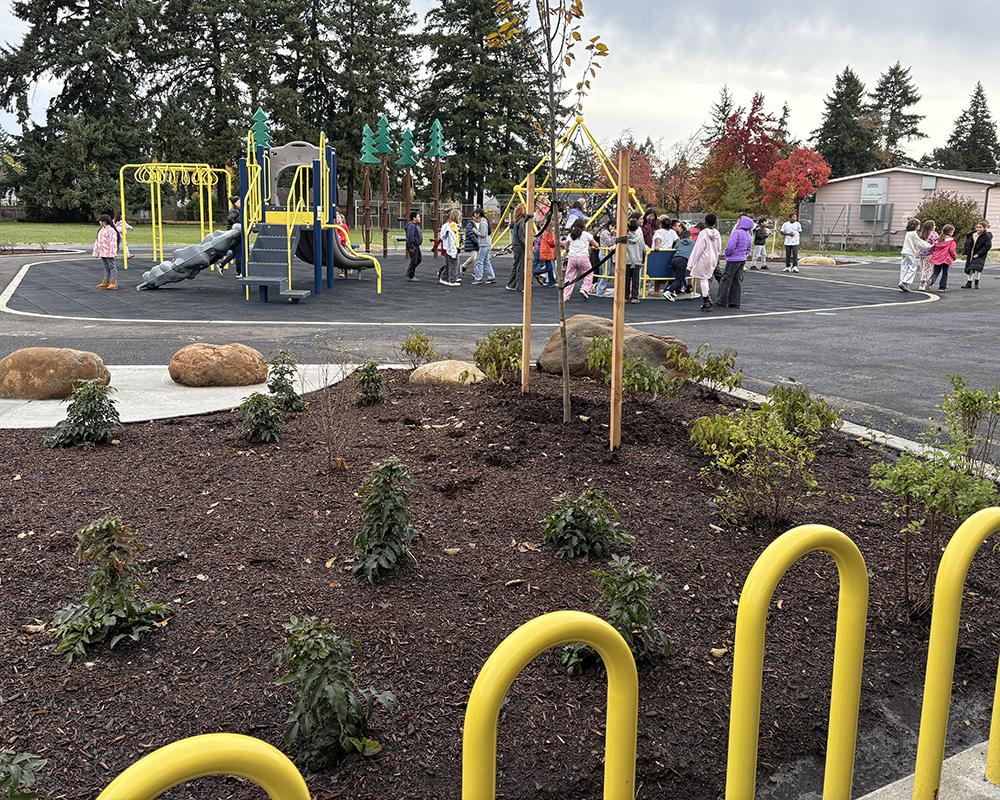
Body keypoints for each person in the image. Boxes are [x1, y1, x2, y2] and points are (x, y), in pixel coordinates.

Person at [717, 215, 753, 308]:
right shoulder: (748, 235)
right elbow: (749, 248)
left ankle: (721, 301)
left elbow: (730, 246)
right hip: (742, 259)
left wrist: (727, 254)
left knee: (726, 279)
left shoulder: (736, 233)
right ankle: (735, 301)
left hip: (733, 259)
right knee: (736, 280)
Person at [689, 213, 722, 312]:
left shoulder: (703, 233)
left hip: (704, 258)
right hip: (713, 258)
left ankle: (706, 298)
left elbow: (698, 248)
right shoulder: (717, 233)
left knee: (703, 279)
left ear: (705, 222)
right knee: (708, 277)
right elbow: (719, 247)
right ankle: (706, 297)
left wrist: (691, 263)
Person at [562, 218, 596, 301]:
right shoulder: (586, 234)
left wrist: (568, 250)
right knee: (588, 273)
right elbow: (596, 244)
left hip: (572, 257)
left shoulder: (571, 235)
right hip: (583, 257)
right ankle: (584, 288)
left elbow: (566, 246)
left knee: (569, 276)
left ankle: (565, 296)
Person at [899, 218, 931, 292]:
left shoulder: (908, 233)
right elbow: (919, 242)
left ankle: (902, 282)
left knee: (905, 268)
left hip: (904, 252)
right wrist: (929, 246)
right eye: (918, 224)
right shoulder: (913, 233)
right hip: (910, 253)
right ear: (915, 225)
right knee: (913, 267)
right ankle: (905, 282)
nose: (919, 226)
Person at [624, 214, 648, 304]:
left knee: (626, 279)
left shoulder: (624, 235)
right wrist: (643, 256)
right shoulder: (640, 233)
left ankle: (625, 297)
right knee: (635, 280)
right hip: (637, 259)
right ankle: (634, 297)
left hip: (626, 259)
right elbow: (643, 246)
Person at [962, 221, 992, 289]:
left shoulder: (987, 236)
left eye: (980, 227)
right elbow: (967, 244)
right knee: (970, 268)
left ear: (984, 228)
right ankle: (969, 282)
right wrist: (965, 252)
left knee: (977, 268)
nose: (978, 229)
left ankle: (976, 282)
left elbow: (987, 246)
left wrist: (978, 254)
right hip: (971, 254)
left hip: (980, 254)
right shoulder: (972, 235)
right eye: (977, 227)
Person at [93, 214, 120, 290]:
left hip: (109, 252)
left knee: (112, 267)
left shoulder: (111, 230)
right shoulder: (101, 230)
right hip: (103, 252)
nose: (99, 222)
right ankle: (106, 281)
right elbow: (97, 241)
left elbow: (113, 242)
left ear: (104, 221)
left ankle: (113, 282)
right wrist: (96, 251)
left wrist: (112, 253)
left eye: (100, 221)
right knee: (106, 267)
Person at [928, 224, 957, 292]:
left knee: (935, 272)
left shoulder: (938, 240)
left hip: (937, 258)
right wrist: (954, 256)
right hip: (945, 259)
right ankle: (942, 287)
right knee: (945, 273)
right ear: (950, 232)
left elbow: (932, 248)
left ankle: (931, 281)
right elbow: (952, 250)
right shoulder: (952, 241)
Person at [666, 229, 693, 299]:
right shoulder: (693, 243)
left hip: (674, 260)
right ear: (690, 237)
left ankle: (672, 289)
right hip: (682, 260)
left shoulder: (679, 243)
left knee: (678, 277)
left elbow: (675, 248)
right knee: (679, 279)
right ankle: (669, 291)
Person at [438, 209, 461, 287]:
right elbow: (453, 237)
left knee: (448, 264)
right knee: (453, 264)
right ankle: (452, 280)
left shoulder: (447, 224)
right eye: (459, 216)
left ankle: (443, 278)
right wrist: (454, 248)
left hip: (448, 247)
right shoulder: (454, 225)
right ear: (456, 217)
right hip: (453, 247)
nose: (460, 218)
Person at [472, 208, 496, 285]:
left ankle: (478, 278)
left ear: (478, 214)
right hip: (486, 244)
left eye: (475, 213)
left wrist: (475, 231)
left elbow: (483, 234)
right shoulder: (485, 221)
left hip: (484, 244)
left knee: (479, 262)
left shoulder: (483, 223)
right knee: (486, 261)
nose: (474, 215)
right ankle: (491, 277)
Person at [506, 203, 527, 291]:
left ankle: (511, 284)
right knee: (521, 266)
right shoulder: (521, 221)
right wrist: (527, 246)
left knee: (516, 264)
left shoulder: (516, 221)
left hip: (515, 245)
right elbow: (521, 235)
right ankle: (520, 286)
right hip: (520, 245)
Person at [594, 220, 616, 296]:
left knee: (607, 272)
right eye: (612, 226)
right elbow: (610, 243)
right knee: (606, 272)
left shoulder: (606, 232)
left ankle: (600, 288)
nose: (613, 228)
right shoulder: (604, 233)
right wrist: (614, 235)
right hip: (604, 254)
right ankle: (600, 290)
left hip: (607, 254)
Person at [917, 219, 938, 291]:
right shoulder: (934, 234)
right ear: (931, 227)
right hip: (930, 254)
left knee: (923, 268)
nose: (935, 226)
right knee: (928, 269)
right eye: (934, 225)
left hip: (922, 253)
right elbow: (936, 244)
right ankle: (923, 282)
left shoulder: (922, 233)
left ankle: (923, 282)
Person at [405, 211, 423, 281]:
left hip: (416, 245)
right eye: (418, 217)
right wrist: (411, 246)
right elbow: (410, 237)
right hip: (412, 245)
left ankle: (409, 272)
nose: (420, 218)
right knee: (414, 260)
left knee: (418, 259)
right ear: (414, 218)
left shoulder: (415, 225)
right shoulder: (411, 226)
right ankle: (411, 275)